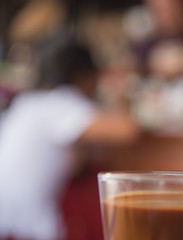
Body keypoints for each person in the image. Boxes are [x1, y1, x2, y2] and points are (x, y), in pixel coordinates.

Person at [0, 36, 138, 240]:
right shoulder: (62, 101)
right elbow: (127, 130)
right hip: (25, 228)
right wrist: (122, 90)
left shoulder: (27, 102)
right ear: (83, 76)